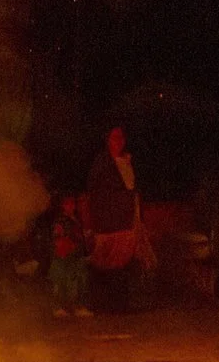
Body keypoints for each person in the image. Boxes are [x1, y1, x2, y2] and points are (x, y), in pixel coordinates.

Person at [83, 126, 153, 312]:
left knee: (124, 263)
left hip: (127, 220)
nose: (119, 140)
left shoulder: (126, 162)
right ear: (107, 139)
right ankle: (100, 304)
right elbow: (97, 194)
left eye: (122, 136)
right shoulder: (102, 164)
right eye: (115, 137)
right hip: (109, 222)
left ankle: (121, 304)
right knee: (105, 263)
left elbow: (133, 190)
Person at [47, 194, 91, 317]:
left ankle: (77, 307)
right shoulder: (61, 220)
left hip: (76, 255)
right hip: (64, 255)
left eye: (72, 203)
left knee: (78, 282)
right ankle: (60, 307)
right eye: (68, 203)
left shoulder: (76, 219)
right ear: (63, 205)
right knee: (61, 282)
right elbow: (59, 236)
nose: (71, 206)